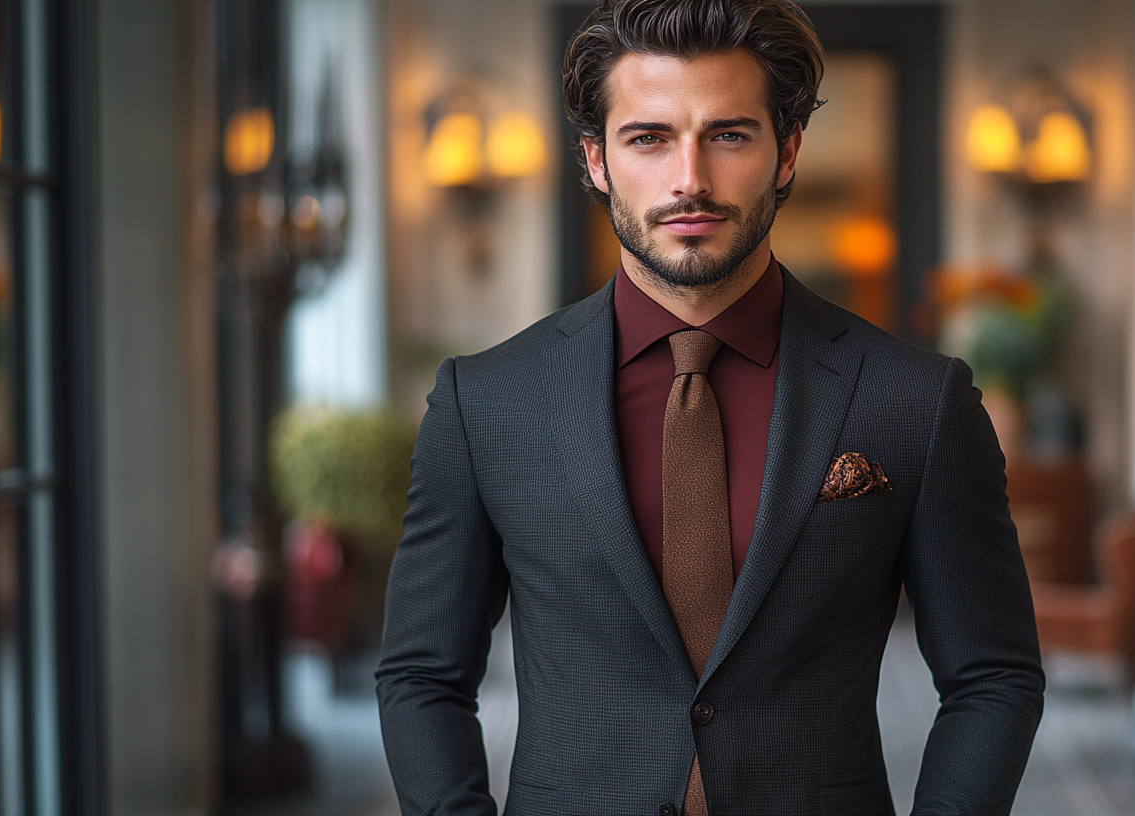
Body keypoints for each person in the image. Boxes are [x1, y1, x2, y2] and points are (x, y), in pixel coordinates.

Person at [375, 1, 1044, 814]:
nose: (689, 177)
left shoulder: (917, 400)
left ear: (787, 151)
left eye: (728, 134)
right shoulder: (484, 405)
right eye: (648, 138)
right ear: (595, 160)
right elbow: (421, 675)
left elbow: (992, 676)